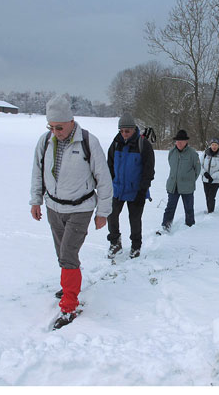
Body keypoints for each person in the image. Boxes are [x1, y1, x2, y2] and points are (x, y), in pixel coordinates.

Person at [30, 94, 113, 329]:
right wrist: (36, 201)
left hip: (80, 209)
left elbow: (104, 180)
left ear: (71, 121)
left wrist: (102, 212)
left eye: (59, 127)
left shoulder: (88, 141)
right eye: (51, 127)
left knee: (67, 254)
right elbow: (37, 172)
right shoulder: (44, 141)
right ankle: (69, 286)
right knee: (62, 253)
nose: (55, 131)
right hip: (53, 207)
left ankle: (69, 306)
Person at [107, 113, 155, 259]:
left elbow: (149, 170)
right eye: (121, 131)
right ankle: (115, 242)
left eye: (127, 131)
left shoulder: (143, 144)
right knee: (112, 216)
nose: (124, 134)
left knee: (134, 220)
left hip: (136, 191)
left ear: (134, 129)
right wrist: (109, 185)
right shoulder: (115, 143)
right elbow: (109, 166)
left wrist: (142, 191)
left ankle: (136, 246)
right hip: (117, 189)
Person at [160, 129, 201, 232]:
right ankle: (166, 225)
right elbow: (171, 166)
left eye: (181, 141)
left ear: (186, 142)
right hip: (173, 185)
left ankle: (190, 226)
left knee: (189, 208)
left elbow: (197, 169)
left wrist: (190, 180)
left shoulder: (193, 154)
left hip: (187, 186)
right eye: (177, 141)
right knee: (170, 207)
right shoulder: (172, 152)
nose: (179, 143)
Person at [201, 137, 219, 213]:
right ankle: (209, 209)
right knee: (207, 196)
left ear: (218, 145)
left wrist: (213, 176)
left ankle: (211, 212)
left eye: (216, 145)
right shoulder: (205, 153)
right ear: (210, 145)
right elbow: (199, 165)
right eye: (213, 145)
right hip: (205, 179)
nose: (214, 146)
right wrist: (204, 173)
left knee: (211, 196)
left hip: (216, 181)